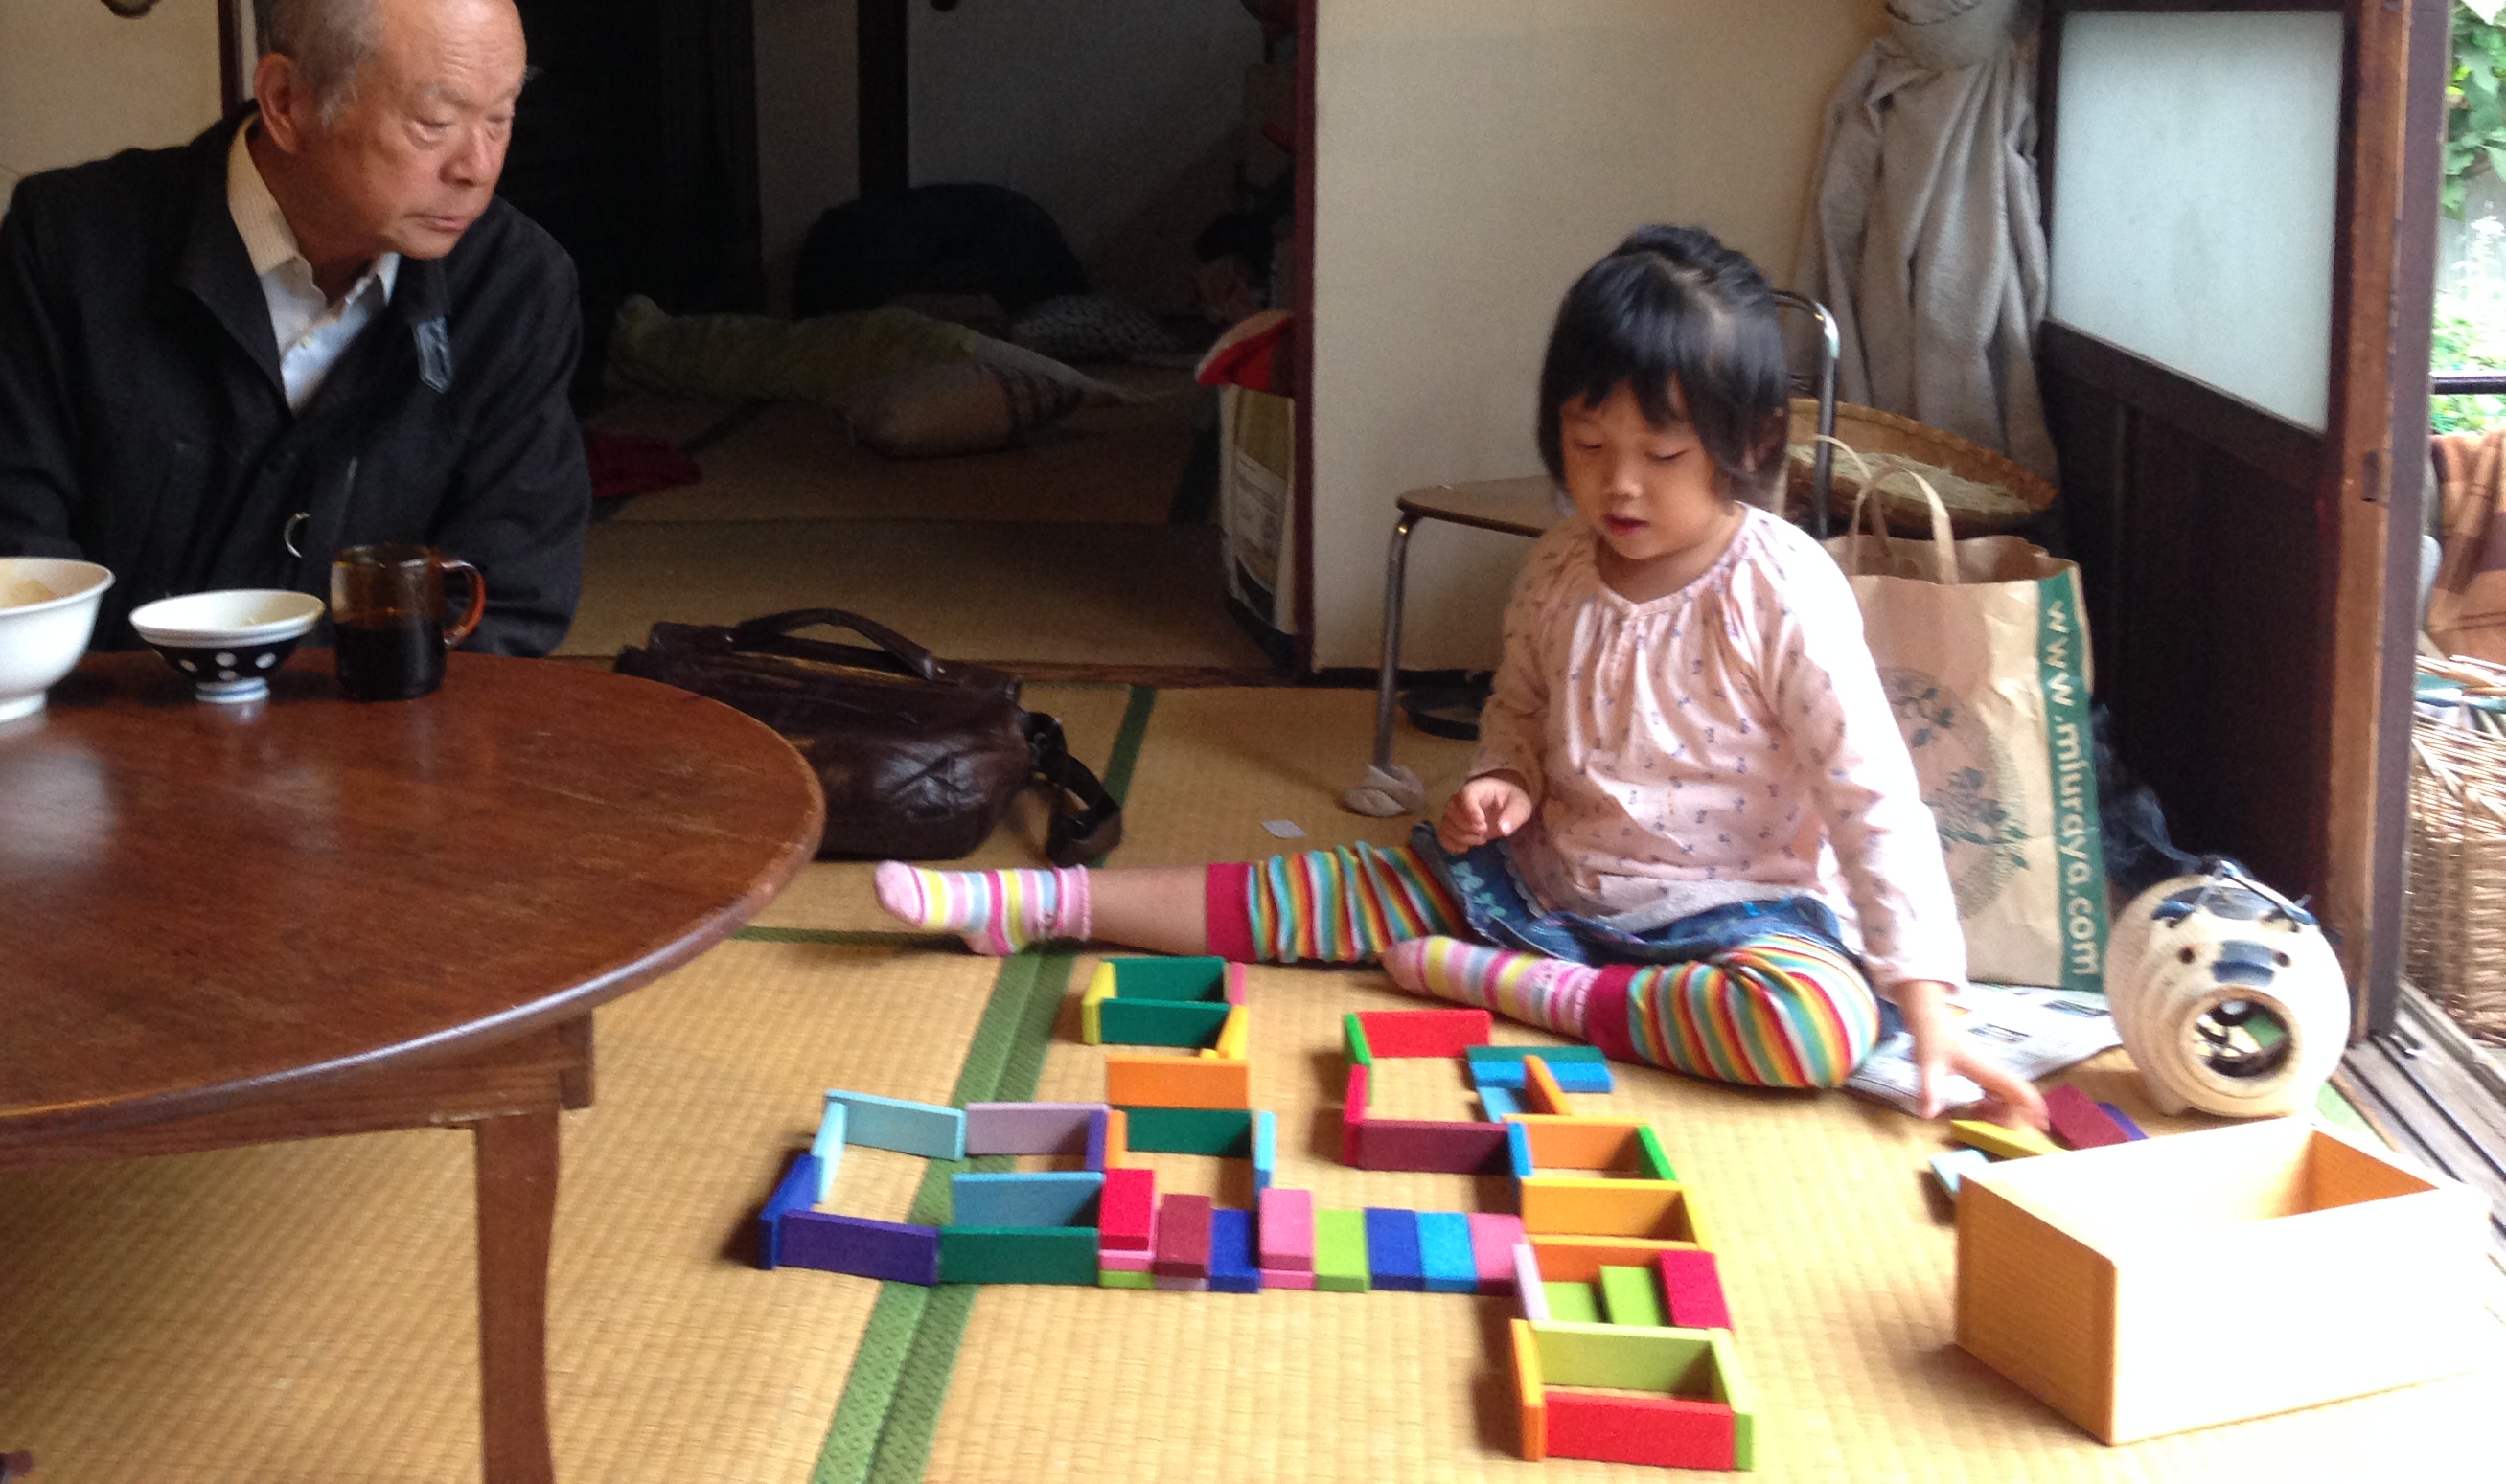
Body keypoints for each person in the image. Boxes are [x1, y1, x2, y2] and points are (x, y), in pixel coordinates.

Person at [875, 224, 2044, 1125]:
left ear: (1750, 445)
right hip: (1538, 883)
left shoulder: (1782, 586)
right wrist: (1504, 780)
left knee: (1815, 1028)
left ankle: (1515, 988)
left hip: (1732, 922)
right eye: (1587, 445)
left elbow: (1872, 797)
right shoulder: (1558, 566)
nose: (1619, 484)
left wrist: (1927, 998)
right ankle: (1043, 907)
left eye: (1662, 453)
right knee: (1326, 891)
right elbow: (1521, 710)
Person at [0, 0, 590, 655]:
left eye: (500, 118)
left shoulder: (515, 283)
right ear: (286, 101)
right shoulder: (74, 244)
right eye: (435, 123)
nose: (478, 167)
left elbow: (511, 592)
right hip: (109, 716)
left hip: (389, 721)